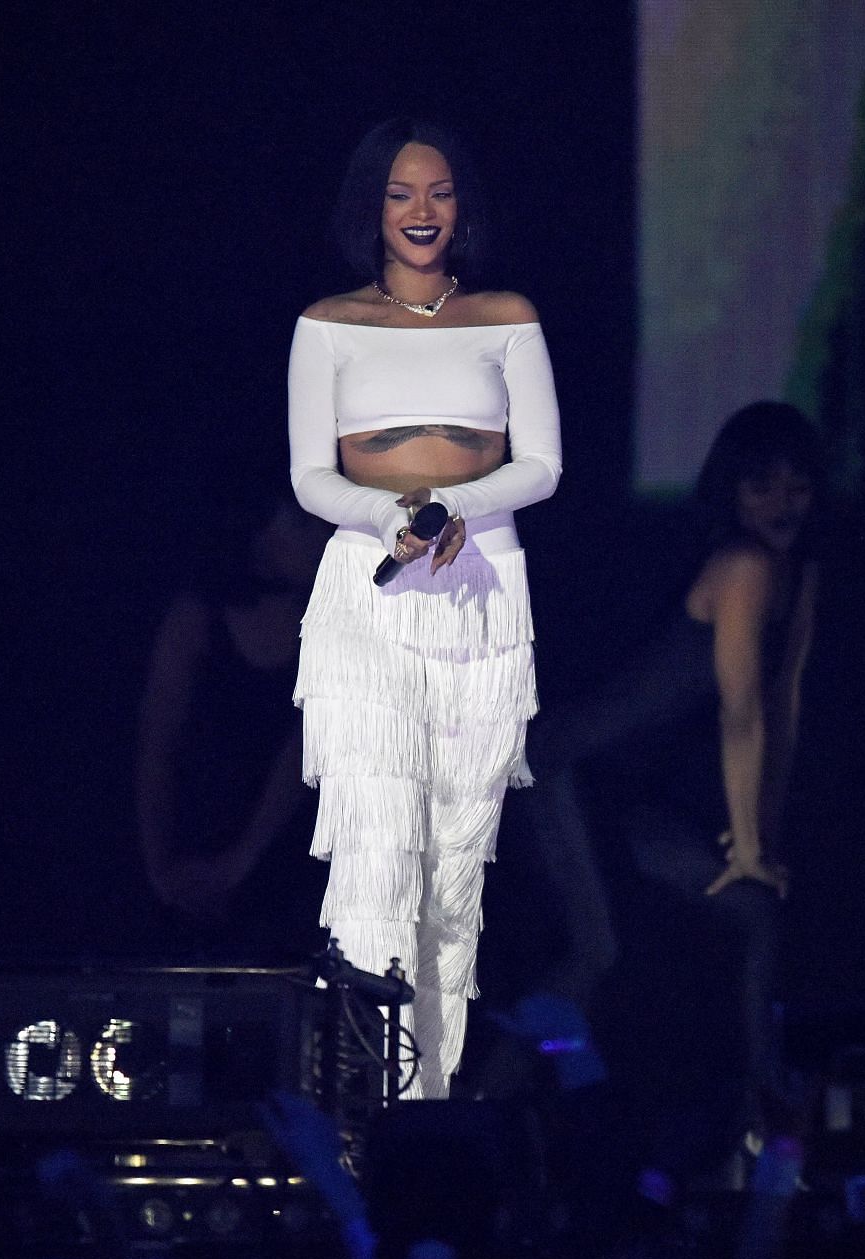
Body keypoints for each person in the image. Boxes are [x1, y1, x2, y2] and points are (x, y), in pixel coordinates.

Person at [287, 118, 562, 1098]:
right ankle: (363, 1109)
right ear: (371, 207)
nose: (421, 212)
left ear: (464, 206)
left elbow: (542, 463)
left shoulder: (505, 313)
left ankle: (426, 1113)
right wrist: (390, 513)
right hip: (370, 589)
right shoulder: (327, 323)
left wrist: (455, 507)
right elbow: (311, 476)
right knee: (376, 852)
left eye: (439, 193)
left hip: (482, 593)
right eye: (402, 194)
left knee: (453, 875)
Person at [514, 401, 821, 1159]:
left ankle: (763, 1107)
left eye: (796, 487)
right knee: (597, 952)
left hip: (623, 790)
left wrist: (763, 837)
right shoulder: (743, 566)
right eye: (761, 487)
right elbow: (740, 711)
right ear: (732, 491)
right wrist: (745, 840)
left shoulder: (799, 570)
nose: (780, 505)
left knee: (754, 912)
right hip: (560, 767)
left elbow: (783, 709)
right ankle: (468, 1118)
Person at [134, 497, 329, 952]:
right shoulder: (197, 617)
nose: (324, 539)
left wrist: (242, 860)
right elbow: (157, 740)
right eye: (305, 526)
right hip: (196, 837)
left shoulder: (333, 625)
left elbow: (305, 750)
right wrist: (158, 863)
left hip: (294, 852)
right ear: (259, 535)